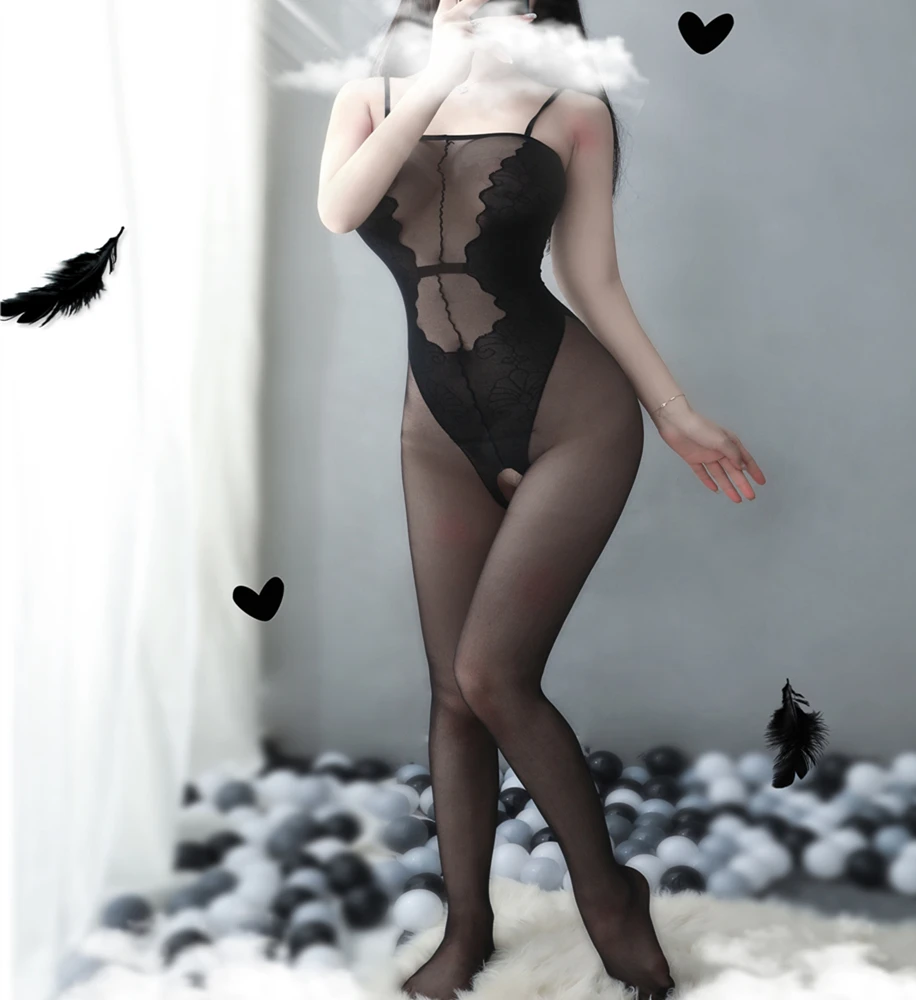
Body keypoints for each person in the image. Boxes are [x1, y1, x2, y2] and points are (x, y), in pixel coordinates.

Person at [316, 1, 766, 997]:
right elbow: (341, 210)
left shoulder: (571, 107)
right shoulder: (368, 97)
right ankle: (467, 930)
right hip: (437, 434)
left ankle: (608, 898)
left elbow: (593, 280)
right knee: (452, 692)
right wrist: (434, 79)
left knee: (491, 673)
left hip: (575, 418)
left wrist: (675, 414)